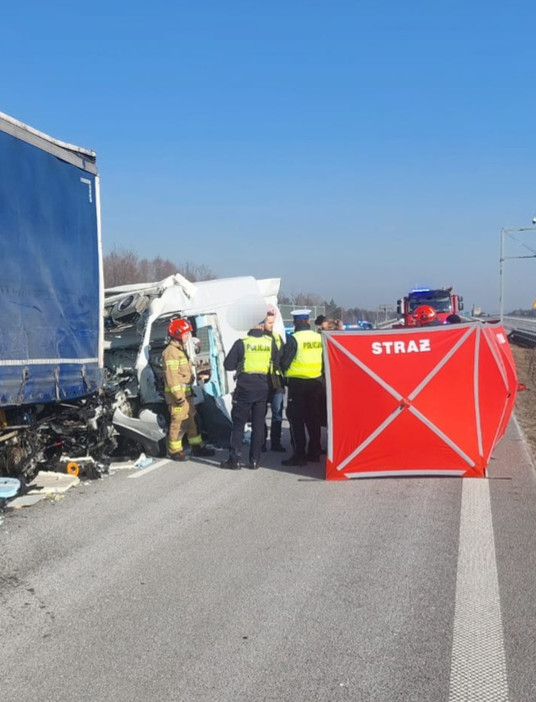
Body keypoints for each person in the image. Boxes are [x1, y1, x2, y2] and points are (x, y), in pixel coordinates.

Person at [220, 316, 279, 470]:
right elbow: (277, 362)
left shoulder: (242, 343)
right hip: (262, 387)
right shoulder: (269, 342)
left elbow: (228, 365)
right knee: (258, 425)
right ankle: (254, 460)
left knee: (239, 425)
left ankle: (235, 459)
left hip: (245, 387)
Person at [162, 318, 215, 461]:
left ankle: (196, 446)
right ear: (178, 334)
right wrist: (179, 397)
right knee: (178, 422)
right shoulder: (171, 352)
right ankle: (174, 450)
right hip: (177, 396)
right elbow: (172, 377)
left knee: (191, 420)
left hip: (186, 394)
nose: (188, 336)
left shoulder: (180, 350)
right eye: (186, 334)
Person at [280, 309, 324, 466]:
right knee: (314, 419)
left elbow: (284, 362)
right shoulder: (318, 337)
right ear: (307, 321)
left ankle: (299, 455)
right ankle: (315, 452)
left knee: (296, 419)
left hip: (297, 384)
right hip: (316, 382)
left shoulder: (294, 339)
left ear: (294, 322)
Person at [262, 306, 286, 452]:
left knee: (277, 413)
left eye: (273, 322)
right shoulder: (258, 338)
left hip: (277, 381)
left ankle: (276, 443)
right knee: (261, 414)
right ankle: (262, 442)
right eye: (269, 322)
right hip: (263, 381)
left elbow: (283, 357)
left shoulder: (277, 337)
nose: (271, 325)